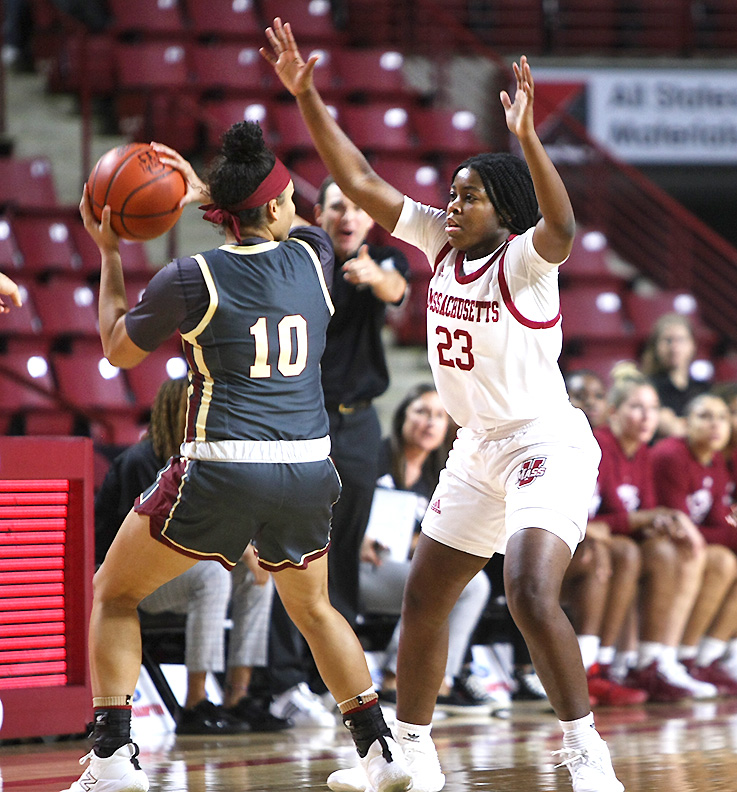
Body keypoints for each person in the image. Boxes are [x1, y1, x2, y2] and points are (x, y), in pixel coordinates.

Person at [262, 19, 623, 792]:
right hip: (476, 447)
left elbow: (560, 223)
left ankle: (584, 752)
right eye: (451, 195)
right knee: (424, 598)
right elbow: (359, 181)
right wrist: (307, 96)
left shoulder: (526, 264)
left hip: (544, 444)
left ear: (504, 209)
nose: (451, 207)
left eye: (469, 198)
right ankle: (409, 753)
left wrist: (528, 138)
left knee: (528, 590)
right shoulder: (436, 242)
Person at [67, 122, 412, 792]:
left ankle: (112, 759)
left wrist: (109, 251)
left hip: (222, 465)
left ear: (222, 215)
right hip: (310, 469)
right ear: (281, 209)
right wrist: (210, 190)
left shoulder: (189, 275)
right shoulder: (315, 256)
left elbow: (116, 350)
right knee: (315, 610)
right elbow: (287, 216)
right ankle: (380, 749)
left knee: (113, 592)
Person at [250, 175, 409, 724]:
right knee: (297, 550)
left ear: (369, 218)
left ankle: (331, 683)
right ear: (319, 214)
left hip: (362, 426)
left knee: (344, 553)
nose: (348, 216)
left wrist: (376, 276)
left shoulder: (384, 259)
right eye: (337, 207)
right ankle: (286, 682)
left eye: (358, 208)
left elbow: (396, 289)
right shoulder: (303, 258)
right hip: (307, 421)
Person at [94, 377, 290, 734]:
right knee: (214, 574)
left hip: (182, 574)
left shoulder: (207, 463)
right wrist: (240, 549)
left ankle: (238, 696)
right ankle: (195, 703)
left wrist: (250, 552)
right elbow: (162, 539)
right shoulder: (142, 461)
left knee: (259, 574)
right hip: (130, 582)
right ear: (178, 413)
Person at [582, 375, 717, 702]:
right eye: (637, 408)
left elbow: (646, 513)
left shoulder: (642, 451)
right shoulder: (596, 445)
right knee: (628, 552)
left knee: (666, 550)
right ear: (613, 412)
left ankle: (648, 662)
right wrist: (640, 520)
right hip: (580, 541)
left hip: (614, 540)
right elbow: (588, 519)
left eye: (654, 409)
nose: (647, 417)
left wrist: (665, 524)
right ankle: (599, 664)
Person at [358, 383, 492, 712]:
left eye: (439, 416)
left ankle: (438, 680)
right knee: (437, 582)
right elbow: (339, 509)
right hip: (360, 566)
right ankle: (397, 676)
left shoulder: (443, 475)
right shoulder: (372, 457)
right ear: (403, 416)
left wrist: (418, 542)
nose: (429, 422)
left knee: (472, 584)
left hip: (403, 567)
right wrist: (357, 537)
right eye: (421, 412)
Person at [651, 393, 737, 692]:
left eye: (723, 417)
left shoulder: (715, 461)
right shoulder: (671, 454)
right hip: (657, 540)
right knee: (707, 557)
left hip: (691, 541)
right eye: (705, 416)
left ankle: (699, 658)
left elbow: (716, 522)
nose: (716, 425)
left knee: (723, 560)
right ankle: (664, 660)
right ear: (685, 423)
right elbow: (680, 524)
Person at [640, 312, 710, 438]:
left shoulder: (704, 388)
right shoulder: (645, 387)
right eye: (668, 340)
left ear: (693, 345)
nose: (674, 347)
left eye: (681, 340)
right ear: (655, 346)